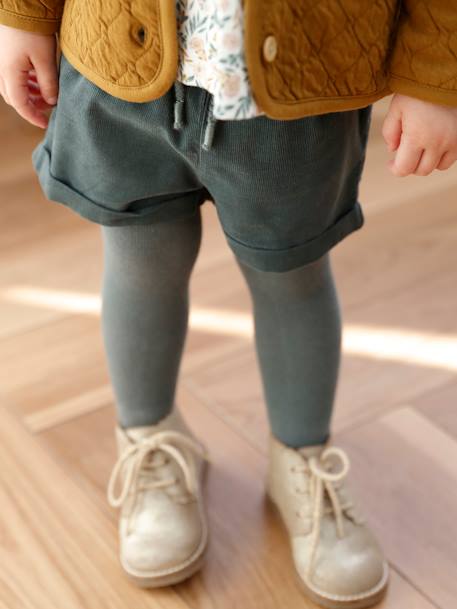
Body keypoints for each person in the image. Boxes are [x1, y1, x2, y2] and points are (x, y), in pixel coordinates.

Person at [0, 2, 456, 607]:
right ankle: (152, 441)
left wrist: (437, 74)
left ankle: (301, 457)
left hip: (304, 79)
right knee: (141, 265)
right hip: (117, 59)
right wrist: (24, 15)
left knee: (293, 276)